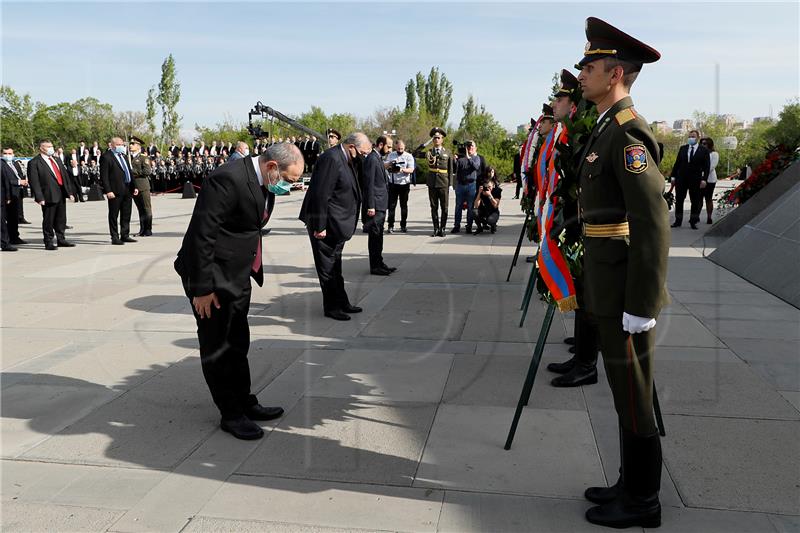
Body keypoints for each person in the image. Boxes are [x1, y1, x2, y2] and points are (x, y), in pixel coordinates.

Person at [575, 17, 669, 529]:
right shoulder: (607, 127)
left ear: (614, 72)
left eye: (589, 64)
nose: (581, 71)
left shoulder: (629, 133)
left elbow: (652, 226)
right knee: (622, 392)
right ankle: (629, 484)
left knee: (634, 395)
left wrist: (643, 305)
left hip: (626, 292)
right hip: (607, 283)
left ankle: (644, 502)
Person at [174, 143, 304, 440]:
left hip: (237, 273)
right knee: (217, 346)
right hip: (211, 277)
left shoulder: (265, 179)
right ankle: (230, 413)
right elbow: (201, 234)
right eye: (290, 179)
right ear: (272, 167)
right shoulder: (228, 178)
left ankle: (244, 400)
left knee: (237, 341)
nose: (290, 186)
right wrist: (203, 288)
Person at [546, 67, 602, 389]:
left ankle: (587, 362)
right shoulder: (573, 130)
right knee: (582, 293)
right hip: (576, 221)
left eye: (561, 98)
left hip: (591, 227)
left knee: (588, 295)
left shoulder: (593, 128)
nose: (557, 104)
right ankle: (582, 355)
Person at [299, 132, 370, 321]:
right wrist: (320, 226)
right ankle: (331, 307)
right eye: (362, 153)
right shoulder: (331, 158)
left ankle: (341, 301)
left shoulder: (348, 159)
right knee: (327, 267)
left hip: (337, 225)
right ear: (351, 146)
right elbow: (321, 194)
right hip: (324, 225)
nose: (364, 157)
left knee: (335, 265)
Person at [27, 140, 76, 250]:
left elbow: (64, 177)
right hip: (48, 195)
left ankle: (61, 239)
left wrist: (70, 193)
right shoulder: (34, 162)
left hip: (60, 193)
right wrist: (39, 197)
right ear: (41, 148)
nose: (51, 148)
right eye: (48, 146)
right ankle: (48, 241)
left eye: (52, 146)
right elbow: (34, 182)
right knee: (49, 219)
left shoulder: (56, 160)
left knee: (61, 218)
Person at [362, 135, 396, 275]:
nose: (389, 150)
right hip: (375, 205)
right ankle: (375, 266)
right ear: (381, 145)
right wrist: (370, 205)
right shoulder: (371, 159)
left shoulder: (377, 158)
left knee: (379, 235)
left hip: (380, 204)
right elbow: (369, 184)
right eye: (388, 147)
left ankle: (379, 262)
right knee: (375, 236)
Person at [414, 127, 453, 237]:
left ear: (442, 139)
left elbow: (450, 169)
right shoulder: (429, 152)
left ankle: (443, 228)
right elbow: (415, 153)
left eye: (438, 138)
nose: (436, 139)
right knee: (434, 207)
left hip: (444, 183)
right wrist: (426, 144)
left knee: (444, 207)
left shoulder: (448, 152)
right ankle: (436, 229)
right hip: (432, 183)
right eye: (434, 138)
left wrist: (450, 184)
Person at [100, 137, 138, 245]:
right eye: (120, 144)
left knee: (126, 213)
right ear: (113, 145)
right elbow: (104, 176)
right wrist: (108, 190)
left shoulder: (124, 156)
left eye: (123, 144)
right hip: (115, 190)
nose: (122, 146)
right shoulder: (106, 157)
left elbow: (129, 172)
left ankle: (125, 234)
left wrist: (134, 186)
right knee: (114, 214)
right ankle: (115, 237)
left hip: (127, 189)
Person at [669, 129, 710, 229]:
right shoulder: (683, 148)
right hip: (681, 178)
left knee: (695, 201)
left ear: (697, 138)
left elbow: (706, 166)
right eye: (689, 136)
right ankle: (678, 221)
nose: (691, 138)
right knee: (679, 200)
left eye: (693, 136)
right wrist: (673, 176)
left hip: (695, 179)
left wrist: (704, 179)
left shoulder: (703, 150)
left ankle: (693, 221)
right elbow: (677, 163)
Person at [452, 140, 485, 234]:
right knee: (458, 206)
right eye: (468, 147)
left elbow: (476, 167)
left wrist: (469, 158)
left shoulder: (476, 158)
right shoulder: (461, 158)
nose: (470, 148)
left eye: (472, 147)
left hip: (471, 185)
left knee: (470, 207)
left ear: (475, 148)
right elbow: (455, 169)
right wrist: (455, 160)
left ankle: (469, 226)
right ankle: (456, 226)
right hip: (460, 185)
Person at [385, 139, 415, 233]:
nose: (400, 150)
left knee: (404, 206)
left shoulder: (408, 156)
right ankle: (390, 225)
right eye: (398, 148)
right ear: (395, 147)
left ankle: (403, 225)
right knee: (391, 206)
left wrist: (401, 170)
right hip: (393, 183)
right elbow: (385, 166)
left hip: (404, 184)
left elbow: (411, 169)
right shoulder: (391, 155)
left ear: (404, 147)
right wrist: (391, 165)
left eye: (402, 148)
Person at [1, 147, 28, 247]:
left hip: (16, 193)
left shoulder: (14, 164)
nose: (8, 155)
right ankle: (6, 239)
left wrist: (23, 182)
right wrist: (18, 182)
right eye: (5, 153)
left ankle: (14, 237)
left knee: (14, 217)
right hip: (7, 194)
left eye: (10, 153)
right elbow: (5, 181)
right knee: (6, 217)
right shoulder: (2, 165)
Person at [129, 136, 153, 237]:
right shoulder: (129, 158)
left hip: (142, 186)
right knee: (140, 209)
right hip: (134, 187)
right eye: (130, 144)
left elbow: (147, 171)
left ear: (138, 146)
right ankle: (142, 229)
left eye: (133, 144)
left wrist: (133, 172)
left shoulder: (143, 157)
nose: (130, 146)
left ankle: (148, 229)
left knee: (146, 208)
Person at [472, 167, 501, 234]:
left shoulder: (497, 191)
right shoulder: (482, 191)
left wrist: (490, 195)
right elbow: (476, 206)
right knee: (474, 211)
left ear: (493, 186)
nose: (488, 189)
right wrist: (479, 193)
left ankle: (493, 226)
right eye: (486, 187)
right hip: (483, 210)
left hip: (493, 211)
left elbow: (495, 205)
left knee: (490, 220)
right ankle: (480, 227)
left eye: (489, 187)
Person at [700, 137, 718, 223]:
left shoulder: (714, 154)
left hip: (710, 180)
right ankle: (696, 217)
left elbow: (711, 166)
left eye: (704, 144)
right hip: (699, 179)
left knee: (708, 198)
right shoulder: (699, 153)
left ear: (709, 145)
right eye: (701, 143)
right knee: (698, 199)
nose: (702, 145)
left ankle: (709, 217)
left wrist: (702, 172)